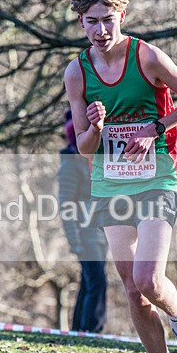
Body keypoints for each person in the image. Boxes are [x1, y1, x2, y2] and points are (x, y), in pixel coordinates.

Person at [63, 0, 177, 353]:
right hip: (110, 183)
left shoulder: (146, 56)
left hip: (156, 177)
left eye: (108, 20)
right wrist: (96, 127)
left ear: (122, 16)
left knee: (149, 278)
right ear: (81, 21)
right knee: (131, 288)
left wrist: (154, 128)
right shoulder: (77, 72)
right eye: (92, 21)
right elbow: (84, 147)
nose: (101, 30)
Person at [59, 109, 108, 333]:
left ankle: (79, 330)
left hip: (99, 234)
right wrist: (74, 241)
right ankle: (92, 330)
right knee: (98, 281)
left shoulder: (93, 162)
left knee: (89, 282)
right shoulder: (70, 166)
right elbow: (65, 205)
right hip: (84, 235)